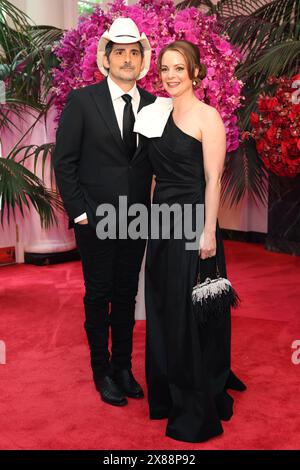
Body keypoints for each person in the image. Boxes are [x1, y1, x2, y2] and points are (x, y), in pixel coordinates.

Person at [135, 40, 246, 442]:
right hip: (162, 222)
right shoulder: (155, 115)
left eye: (179, 68)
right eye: (164, 68)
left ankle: (196, 398)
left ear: (195, 71)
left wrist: (209, 232)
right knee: (162, 306)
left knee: (189, 312)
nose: (170, 76)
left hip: (194, 223)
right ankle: (165, 393)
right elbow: (150, 174)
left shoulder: (208, 117)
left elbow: (213, 179)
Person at [53, 18, 156, 407]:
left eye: (134, 52)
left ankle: (123, 367)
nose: (127, 59)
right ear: (106, 59)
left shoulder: (153, 105)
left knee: (127, 294)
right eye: (120, 52)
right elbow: (65, 162)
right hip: (94, 219)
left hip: (136, 218)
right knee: (98, 295)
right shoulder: (82, 101)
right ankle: (101, 370)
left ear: (142, 59)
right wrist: (81, 213)